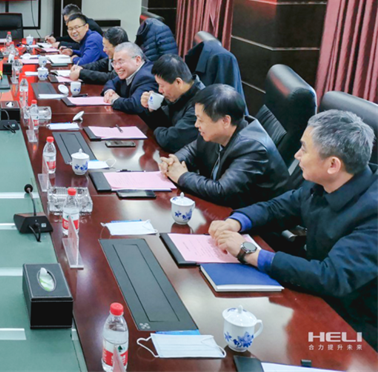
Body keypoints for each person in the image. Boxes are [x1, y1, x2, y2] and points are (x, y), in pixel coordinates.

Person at [210, 110, 378, 350]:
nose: (297, 155)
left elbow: (332, 276)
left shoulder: (373, 213)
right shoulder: (321, 182)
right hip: (315, 294)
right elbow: (278, 208)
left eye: (304, 149)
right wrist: (237, 221)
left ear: (333, 164)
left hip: (356, 326)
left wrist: (250, 253)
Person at [160, 84, 289, 208]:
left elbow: (223, 192)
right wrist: (174, 162)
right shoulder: (217, 132)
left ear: (225, 121)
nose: (196, 124)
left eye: (201, 120)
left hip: (255, 218)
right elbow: (192, 149)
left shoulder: (253, 148)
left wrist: (182, 176)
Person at [140, 54, 204, 153]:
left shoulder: (200, 103)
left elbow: (172, 140)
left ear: (178, 82)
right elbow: (165, 123)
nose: (160, 90)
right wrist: (152, 109)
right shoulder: (175, 94)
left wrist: (156, 130)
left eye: (162, 85)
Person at [101, 42, 158, 114]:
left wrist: (114, 100)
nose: (117, 67)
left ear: (137, 60)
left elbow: (135, 105)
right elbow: (111, 82)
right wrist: (109, 91)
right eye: (114, 63)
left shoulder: (146, 76)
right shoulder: (129, 72)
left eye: (121, 62)